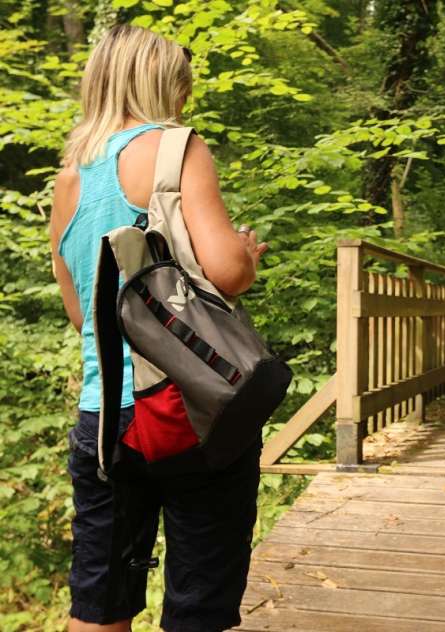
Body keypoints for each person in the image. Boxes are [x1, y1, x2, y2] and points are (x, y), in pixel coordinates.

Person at [49, 25, 267, 632]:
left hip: (103, 419)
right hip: (190, 409)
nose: (185, 98)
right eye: (181, 85)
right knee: (197, 605)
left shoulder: (67, 183)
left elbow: (82, 315)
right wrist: (247, 255)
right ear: (159, 84)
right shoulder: (177, 147)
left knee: (99, 602)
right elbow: (226, 271)